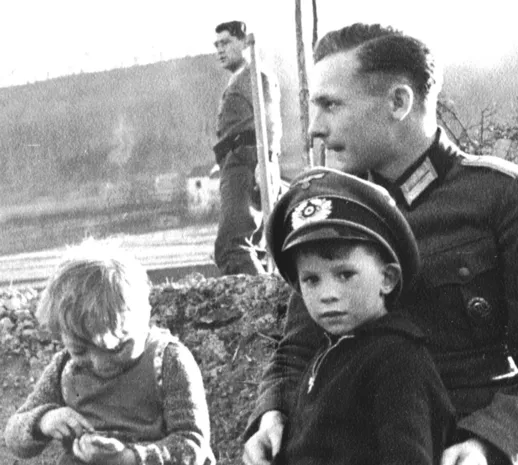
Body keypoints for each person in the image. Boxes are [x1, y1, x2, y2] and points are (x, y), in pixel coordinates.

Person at [243, 23, 518, 465]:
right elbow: (299, 346)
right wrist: (272, 413)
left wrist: (489, 442)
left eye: (331, 105)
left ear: (399, 102)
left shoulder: (505, 198)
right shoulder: (334, 212)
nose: (315, 128)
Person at [264, 166, 455, 464]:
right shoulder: (332, 353)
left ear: (387, 279)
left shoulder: (396, 360)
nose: (327, 293)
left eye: (345, 274)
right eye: (311, 279)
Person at [4, 240, 216, 465]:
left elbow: (192, 445)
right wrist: (44, 421)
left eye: (116, 348)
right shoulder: (64, 369)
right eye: (80, 350)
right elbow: (14, 436)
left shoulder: (167, 361)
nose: (100, 363)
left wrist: (127, 458)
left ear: (144, 317)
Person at [212, 20, 282, 276]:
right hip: (236, 163)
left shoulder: (256, 76)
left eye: (227, 42)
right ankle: (264, 299)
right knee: (247, 245)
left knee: (233, 246)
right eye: (217, 44)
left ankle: (261, 305)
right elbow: (238, 127)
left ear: (244, 42)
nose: (220, 49)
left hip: (248, 163)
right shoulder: (238, 79)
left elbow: (270, 124)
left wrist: (266, 165)